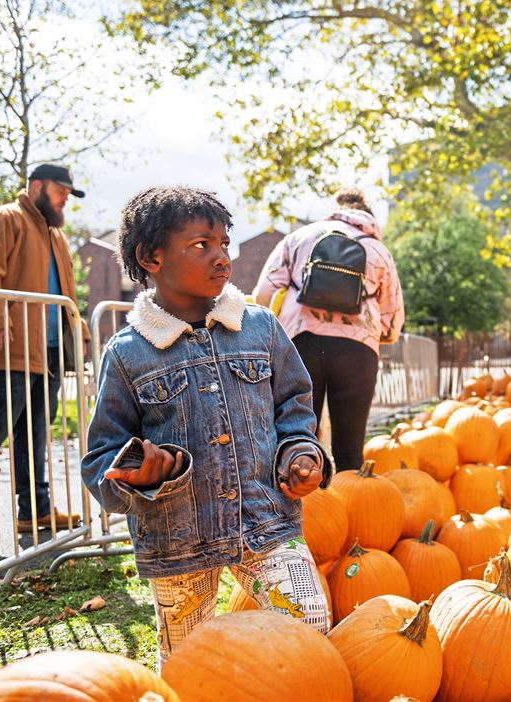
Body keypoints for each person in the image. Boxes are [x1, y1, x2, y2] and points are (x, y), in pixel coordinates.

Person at [81, 186, 331, 665]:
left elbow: (294, 407)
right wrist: (139, 475)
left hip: (267, 522)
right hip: (178, 540)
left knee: (310, 624)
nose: (222, 258)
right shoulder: (128, 353)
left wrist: (300, 453)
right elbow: (102, 457)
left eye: (224, 243)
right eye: (201, 245)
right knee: (186, 664)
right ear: (151, 257)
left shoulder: (261, 327)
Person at [0, 164, 89, 544]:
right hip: (7, 345)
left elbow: (68, 293)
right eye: (61, 191)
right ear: (38, 186)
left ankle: (36, 511)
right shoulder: (1, 220)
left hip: (48, 349)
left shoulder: (55, 235)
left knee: (36, 431)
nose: (64, 200)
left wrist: (80, 330)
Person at [253, 188, 404, 472]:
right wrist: (375, 333)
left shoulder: (299, 238)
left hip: (300, 345)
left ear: (335, 209)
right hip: (357, 352)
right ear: (367, 215)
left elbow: (263, 294)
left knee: (298, 438)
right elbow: (393, 319)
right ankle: (348, 506)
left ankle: (305, 507)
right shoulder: (379, 250)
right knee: (349, 447)